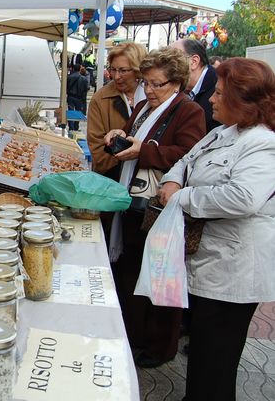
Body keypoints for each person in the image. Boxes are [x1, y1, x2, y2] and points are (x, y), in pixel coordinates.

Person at [157, 58, 275, 401]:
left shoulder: (263, 142)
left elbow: (243, 198)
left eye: (220, 94)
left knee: (215, 365)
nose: (211, 98)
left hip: (233, 271)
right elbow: (184, 161)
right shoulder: (224, 131)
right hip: (210, 264)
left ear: (243, 101)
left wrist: (182, 197)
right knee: (204, 359)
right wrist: (173, 180)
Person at [103, 47, 206, 369]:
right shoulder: (147, 106)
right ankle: (134, 335)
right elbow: (135, 138)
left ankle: (160, 346)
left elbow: (188, 156)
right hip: (133, 201)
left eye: (156, 84)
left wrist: (143, 152)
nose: (148, 90)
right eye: (146, 82)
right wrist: (120, 135)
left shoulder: (188, 111)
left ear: (176, 82)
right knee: (133, 270)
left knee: (159, 276)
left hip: (158, 207)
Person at [87, 42, 147, 182]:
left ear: (138, 70)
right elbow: (97, 148)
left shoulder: (152, 95)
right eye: (113, 69)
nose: (116, 76)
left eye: (123, 70)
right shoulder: (100, 99)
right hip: (111, 179)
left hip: (147, 177)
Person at [172, 39, 219, 132]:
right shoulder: (178, 89)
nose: (166, 66)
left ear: (194, 61)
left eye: (173, 60)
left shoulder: (218, 88)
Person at [66, 64, 89, 131]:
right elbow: (85, 91)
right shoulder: (84, 79)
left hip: (70, 97)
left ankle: (71, 128)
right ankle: (76, 127)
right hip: (79, 98)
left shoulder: (69, 77)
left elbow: (66, 87)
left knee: (70, 112)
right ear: (79, 69)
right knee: (78, 112)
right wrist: (84, 101)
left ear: (73, 69)